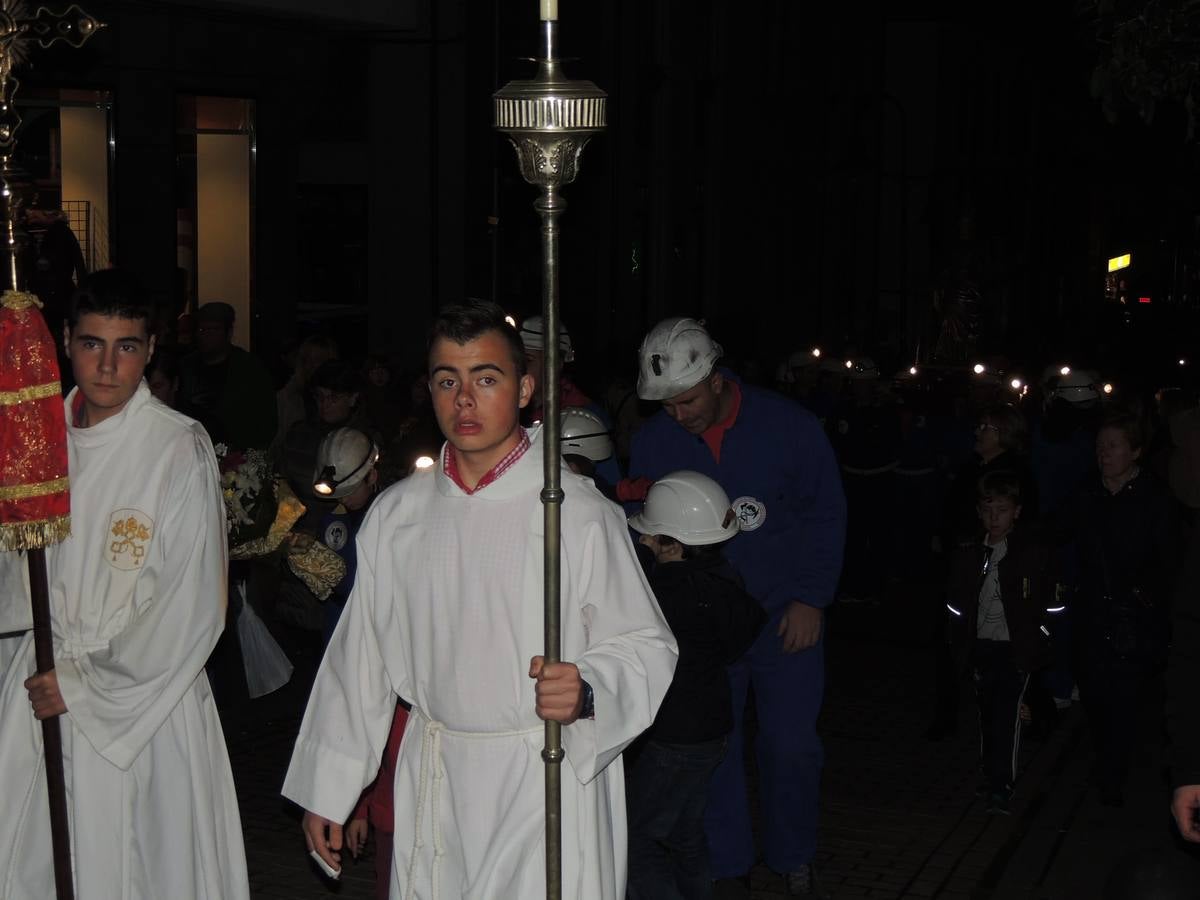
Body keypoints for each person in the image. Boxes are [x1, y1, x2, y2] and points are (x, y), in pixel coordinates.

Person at [282, 298, 678, 899]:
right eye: (448, 380)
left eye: (485, 378)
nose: (464, 399)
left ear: (524, 388)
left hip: (540, 773)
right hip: (436, 779)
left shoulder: (576, 513)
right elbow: (359, 658)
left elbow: (646, 645)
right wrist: (332, 787)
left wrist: (589, 688)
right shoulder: (397, 514)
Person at [0, 269, 250, 898]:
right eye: (92, 344)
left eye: (128, 347)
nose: (108, 366)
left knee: (140, 865)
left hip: (141, 700)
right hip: (37, 683)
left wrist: (83, 684)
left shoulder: (176, 448)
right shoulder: (34, 444)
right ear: (65, 340)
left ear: (152, 349)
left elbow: (192, 606)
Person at [627, 317, 846, 899]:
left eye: (688, 399)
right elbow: (643, 526)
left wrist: (810, 597)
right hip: (702, 630)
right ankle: (727, 864)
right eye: (667, 404)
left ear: (717, 380)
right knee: (711, 751)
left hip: (781, 620)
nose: (680, 413)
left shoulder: (789, 427)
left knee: (791, 746)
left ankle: (793, 852)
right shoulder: (654, 442)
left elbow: (827, 513)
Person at [625, 471, 767, 900]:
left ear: (672, 544)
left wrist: (647, 558)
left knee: (635, 841)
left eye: (653, 537)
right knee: (686, 836)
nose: (644, 543)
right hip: (710, 729)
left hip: (673, 738)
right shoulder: (726, 580)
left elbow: (634, 601)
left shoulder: (671, 590)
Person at [1067, 411, 1179, 807]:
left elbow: (1168, 563)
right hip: (1091, 614)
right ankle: (1104, 761)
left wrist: (1144, 602)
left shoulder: (1156, 499)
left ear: (1135, 451)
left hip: (1133, 619)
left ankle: (1113, 777)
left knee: (1125, 699)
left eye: (1113, 446)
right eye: (1100, 446)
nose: (1103, 453)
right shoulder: (1086, 494)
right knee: (1096, 697)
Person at [946, 471, 1054, 815]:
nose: (995, 518)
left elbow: (1050, 598)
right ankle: (990, 774)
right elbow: (956, 600)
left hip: (1013, 647)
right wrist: (959, 635)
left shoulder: (1028, 552)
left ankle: (1002, 784)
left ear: (1016, 512)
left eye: (1003, 510)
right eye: (988, 510)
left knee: (1007, 715)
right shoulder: (970, 551)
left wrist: (1041, 636)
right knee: (987, 714)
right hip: (981, 645)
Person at [313, 426, 381, 646]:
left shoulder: (390, 519)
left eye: (349, 491)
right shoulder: (331, 519)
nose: (343, 499)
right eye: (337, 494)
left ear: (371, 475)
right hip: (338, 619)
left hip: (375, 623)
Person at [178, 300, 277, 449]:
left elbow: (266, 422)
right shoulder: (185, 367)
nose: (207, 335)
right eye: (202, 330)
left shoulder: (249, 368)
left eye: (214, 330)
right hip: (191, 449)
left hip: (238, 457)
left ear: (228, 332)